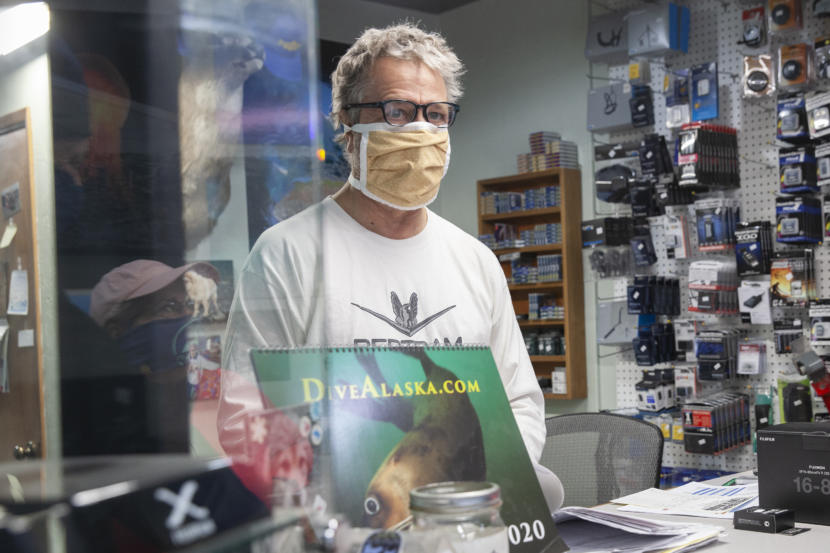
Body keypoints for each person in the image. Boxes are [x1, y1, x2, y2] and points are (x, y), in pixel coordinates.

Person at [219, 23, 563, 510]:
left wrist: (477, 490)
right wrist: (328, 518)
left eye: (437, 114)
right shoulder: (285, 255)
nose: (422, 130)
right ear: (346, 122)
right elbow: (243, 421)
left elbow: (520, 404)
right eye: (398, 111)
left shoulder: (475, 261)